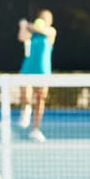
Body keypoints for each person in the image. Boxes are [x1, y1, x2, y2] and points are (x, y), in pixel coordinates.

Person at [17, 9, 57, 141]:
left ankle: (35, 129)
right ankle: (25, 112)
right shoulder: (31, 33)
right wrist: (23, 27)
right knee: (25, 94)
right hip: (28, 68)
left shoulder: (51, 31)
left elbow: (43, 31)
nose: (46, 19)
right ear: (39, 18)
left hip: (43, 70)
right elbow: (22, 37)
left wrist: (28, 25)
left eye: (48, 18)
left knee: (40, 99)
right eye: (43, 17)